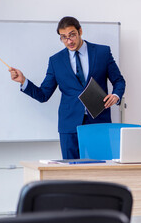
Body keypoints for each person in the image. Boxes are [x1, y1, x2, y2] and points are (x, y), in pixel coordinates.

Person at [9, 16, 126, 159]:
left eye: (72, 35)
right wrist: (23, 81)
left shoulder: (102, 52)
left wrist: (116, 95)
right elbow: (43, 95)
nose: (69, 41)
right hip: (69, 126)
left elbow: (119, 81)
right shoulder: (56, 61)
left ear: (80, 31)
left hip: (98, 122)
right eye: (63, 37)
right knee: (71, 172)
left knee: (101, 168)